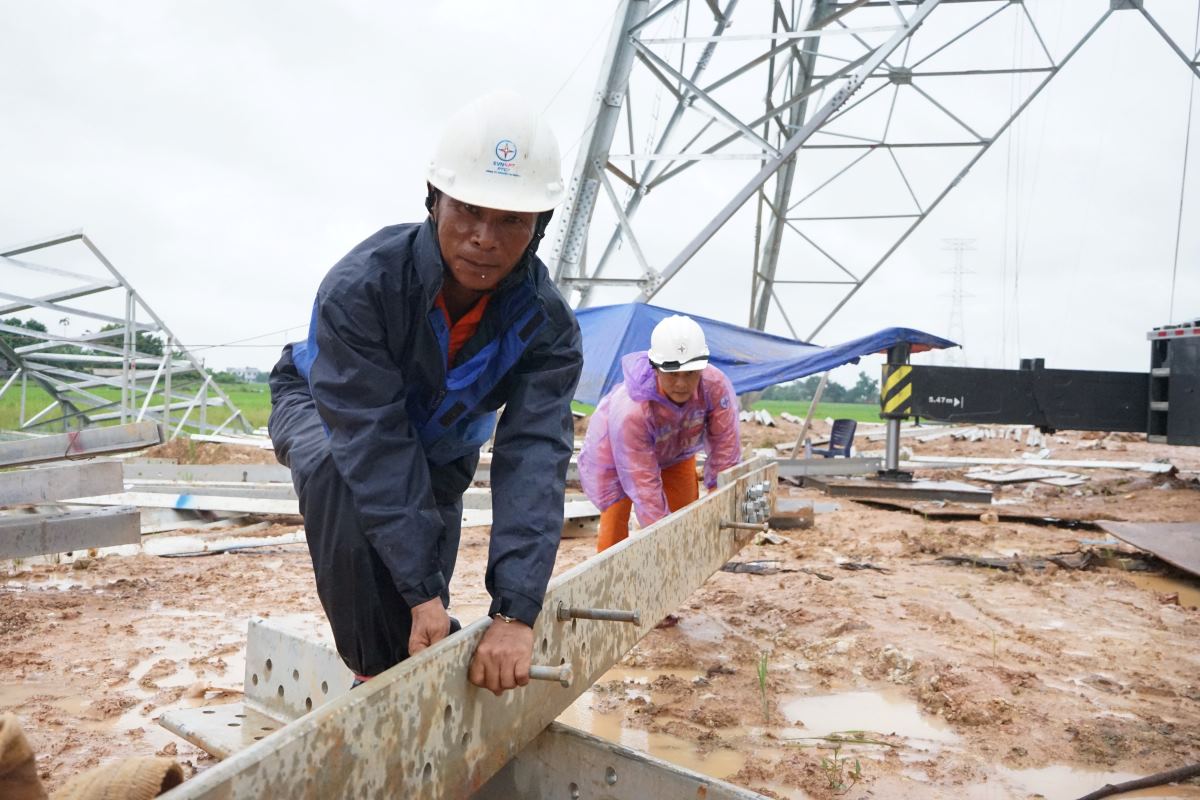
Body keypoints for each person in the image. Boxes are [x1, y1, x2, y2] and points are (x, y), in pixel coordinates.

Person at [267, 91, 583, 696]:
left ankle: (414, 655)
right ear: (435, 202)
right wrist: (422, 593)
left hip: (440, 439)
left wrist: (516, 614)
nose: (484, 238)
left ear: (539, 227)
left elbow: (535, 459)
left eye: (511, 220)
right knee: (340, 478)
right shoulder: (363, 287)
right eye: (467, 211)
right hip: (327, 406)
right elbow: (372, 443)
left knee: (424, 587)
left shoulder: (547, 326)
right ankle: (375, 680)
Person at [579, 315, 741, 553]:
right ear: (655, 369)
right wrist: (662, 540)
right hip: (618, 455)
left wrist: (721, 496)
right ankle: (616, 586)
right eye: (672, 374)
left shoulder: (714, 386)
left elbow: (725, 447)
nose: (681, 383)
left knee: (685, 518)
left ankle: (679, 583)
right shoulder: (633, 411)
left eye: (690, 373)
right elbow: (644, 486)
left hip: (676, 449)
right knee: (616, 524)